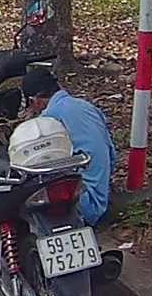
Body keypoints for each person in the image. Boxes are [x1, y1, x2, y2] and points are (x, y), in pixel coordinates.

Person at [22, 67, 116, 226]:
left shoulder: (48, 120)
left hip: (82, 205)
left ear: (34, 101)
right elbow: (111, 154)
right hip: (102, 197)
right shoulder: (87, 107)